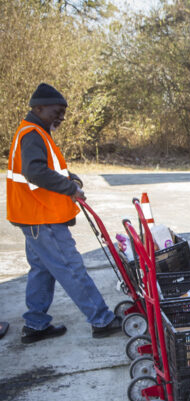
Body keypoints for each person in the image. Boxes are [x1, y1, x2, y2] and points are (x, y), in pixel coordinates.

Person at [6, 83, 123, 344]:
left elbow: (47, 169)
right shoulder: (33, 133)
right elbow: (34, 171)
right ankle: (101, 320)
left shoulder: (36, 132)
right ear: (38, 108)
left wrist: (70, 178)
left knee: (42, 270)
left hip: (33, 217)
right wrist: (70, 187)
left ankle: (35, 324)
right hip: (43, 217)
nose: (61, 117)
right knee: (70, 268)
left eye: (63, 113)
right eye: (56, 112)